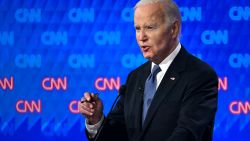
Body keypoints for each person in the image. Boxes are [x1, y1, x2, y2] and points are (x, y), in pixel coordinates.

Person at [79, 0, 218, 141]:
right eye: (137, 28)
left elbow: (188, 134)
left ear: (174, 29)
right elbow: (118, 135)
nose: (141, 37)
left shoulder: (200, 75)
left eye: (150, 27)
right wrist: (96, 119)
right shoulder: (135, 77)